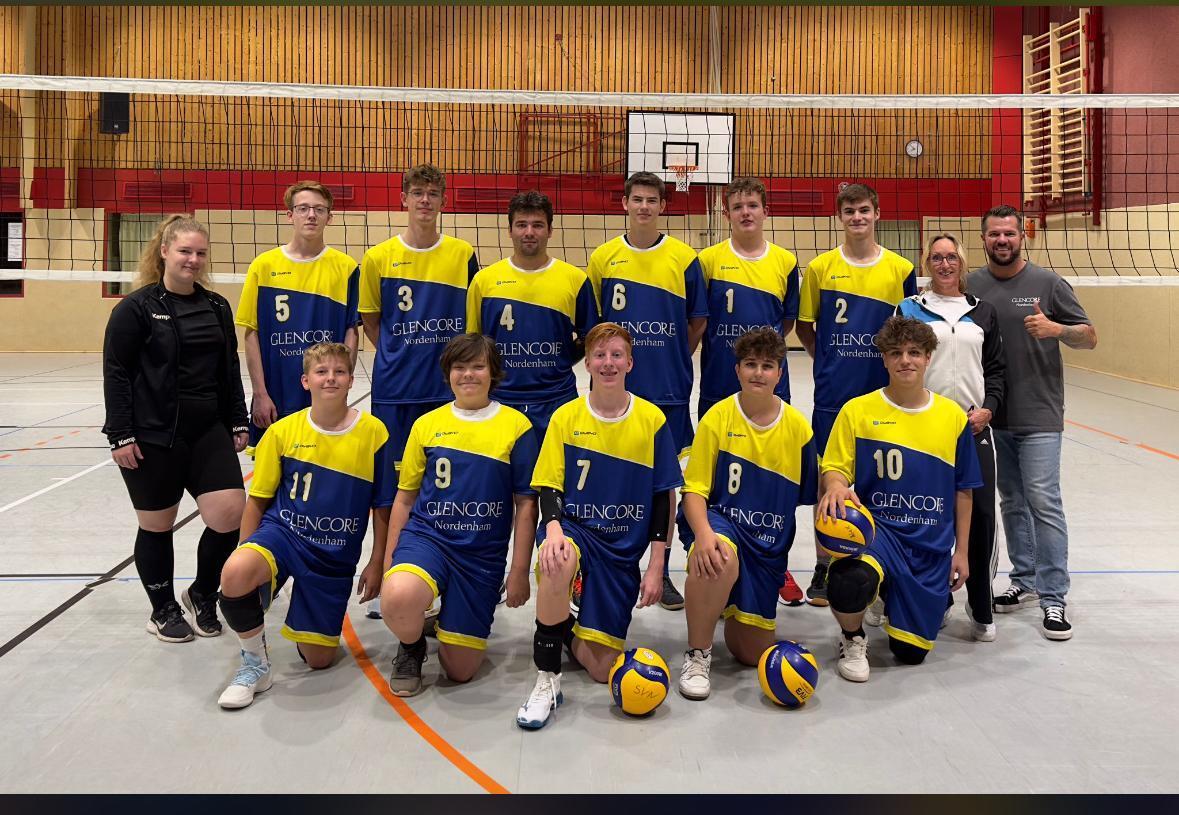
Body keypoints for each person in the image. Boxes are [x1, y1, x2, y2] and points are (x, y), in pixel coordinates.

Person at [516, 322, 683, 730]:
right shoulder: (566, 416)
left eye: (617, 355)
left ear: (630, 362)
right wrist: (553, 530)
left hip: (620, 551)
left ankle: (565, 624)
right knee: (557, 558)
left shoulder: (652, 419)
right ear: (587, 363)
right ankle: (547, 677)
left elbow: (664, 496)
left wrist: (657, 565)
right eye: (600, 355)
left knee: (600, 667)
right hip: (575, 529)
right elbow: (549, 485)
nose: (608, 363)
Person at [215, 342, 393, 709]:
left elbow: (383, 507)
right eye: (321, 372)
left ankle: (303, 605)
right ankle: (255, 665)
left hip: (334, 555)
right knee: (235, 573)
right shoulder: (282, 432)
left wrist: (377, 562)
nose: (331, 378)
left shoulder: (374, 433)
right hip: (284, 534)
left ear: (350, 379)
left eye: (339, 372)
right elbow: (259, 499)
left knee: (318, 660)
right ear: (305, 380)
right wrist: (245, 553)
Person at [103, 215, 248, 643]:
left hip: (207, 430)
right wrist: (121, 434)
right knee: (157, 525)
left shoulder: (216, 306)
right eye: (185, 251)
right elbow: (117, 372)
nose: (193, 259)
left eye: (200, 253)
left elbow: (228, 367)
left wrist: (237, 418)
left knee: (229, 513)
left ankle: (202, 592)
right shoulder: (136, 308)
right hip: (152, 434)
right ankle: (162, 608)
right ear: (164, 251)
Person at [819, 316, 981, 682]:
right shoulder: (858, 411)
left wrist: (962, 552)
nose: (905, 360)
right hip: (879, 533)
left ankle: (890, 594)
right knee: (848, 581)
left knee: (910, 654)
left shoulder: (952, 416)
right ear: (885, 360)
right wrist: (834, 485)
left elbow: (964, 488)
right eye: (896, 353)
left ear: (928, 358)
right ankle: (852, 636)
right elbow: (834, 468)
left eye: (914, 353)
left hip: (929, 545)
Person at [379, 334, 539, 696]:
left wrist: (518, 572)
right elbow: (404, 499)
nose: (468, 374)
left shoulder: (516, 427)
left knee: (460, 671)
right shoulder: (426, 424)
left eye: (478, 366)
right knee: (398, 596)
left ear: (493, 372)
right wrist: (391, 560)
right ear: (448, 373)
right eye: (459, 367)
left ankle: (446, 612)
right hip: (429, 539)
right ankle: (411, 645)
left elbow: (526, 504)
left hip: (481, 554)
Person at [967, 205, 1097, 641]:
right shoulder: (973, 285)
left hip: (1039, 412)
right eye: (994, 234)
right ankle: (1023, 580)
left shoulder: (1047, 283)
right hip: (992, 415)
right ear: (983, 239)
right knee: (1012, 501)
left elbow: (1089, 336)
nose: (1001, 240)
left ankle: (1054, 595)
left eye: (1009, 233)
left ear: (1022, 236)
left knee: (1043, 499)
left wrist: (1056, 329)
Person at [359, 163, 479, 618]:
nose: (425, 200)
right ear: (404, 199)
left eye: (432, 193)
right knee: (391, 489)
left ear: (442, 201)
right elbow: (372, 319)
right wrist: (397, 353)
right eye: (417, 193)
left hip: (449, 393)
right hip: (396, 391)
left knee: (445, 488)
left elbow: (473, 317)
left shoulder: (462, 253)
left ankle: (441, 574)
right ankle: (391, 570)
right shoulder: (378, 257)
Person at [586, 171, 707, 610]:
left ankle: (664, 569)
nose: (643, 207)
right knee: (611, 482)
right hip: (613, 397)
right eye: (636, 199)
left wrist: (674, 355)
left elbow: (697, 321)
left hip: (669, 392)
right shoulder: (603, 258)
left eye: (652, 200)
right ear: (624, 203)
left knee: (666, 486)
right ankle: (605, 567)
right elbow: (597, 330)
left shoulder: (683, 257)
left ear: (662, 206)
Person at [677, 328, 817, 700]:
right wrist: (704, 535)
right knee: (718, 556)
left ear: (780, 373)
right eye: (750, 365)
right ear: (737, 369)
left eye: (767, 366)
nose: (758, 373)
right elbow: (693, 493)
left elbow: (812, 494)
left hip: (766, 546)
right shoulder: (717, 418)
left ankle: (721, 603)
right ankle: (697, 653)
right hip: (719, 522)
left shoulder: (798, 428)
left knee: (750, 653)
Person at [796, 183, 916, 606]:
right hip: (834, 394)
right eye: (849, 211)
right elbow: (806, 326)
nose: (857, 217)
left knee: (881, 482)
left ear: (877, 213)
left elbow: (908, 331)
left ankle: (876, 561)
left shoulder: (901, 269)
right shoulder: (820, 268)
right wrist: (828, 358)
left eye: (864, 210)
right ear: (840, 216)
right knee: (828, 484)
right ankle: (825, 565)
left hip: (884, 395)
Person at [696, 176, 806, 606]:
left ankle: (775, 568)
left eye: (753, 205)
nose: (746, 212)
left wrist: (762, 365)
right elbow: (699, 319)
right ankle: (723, 563)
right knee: (721, 484)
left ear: (765, 210)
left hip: (771, 392)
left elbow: (789, 323)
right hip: (720, 387)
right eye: (738, 205)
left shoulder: (784, 261)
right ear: (727, 213)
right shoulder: (707, 261)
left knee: (775, 486)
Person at [894, 233, 1005, 642]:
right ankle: (935, 599)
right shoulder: (909, 310)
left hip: (974, 429)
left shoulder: (983, 311)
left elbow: (995, 369)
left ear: (961, 262)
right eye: (936, 258)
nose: (944, 264)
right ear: (927, 263)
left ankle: (980, 604)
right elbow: (897, 365)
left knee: (981, 519)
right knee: (930, 517)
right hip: (926, 429)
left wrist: (988, 408)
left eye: (951, 257)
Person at [236, 180, 359, 452]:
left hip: (325, 394)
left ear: (330, 216)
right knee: (270, 478)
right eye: (303, 208)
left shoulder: (346, 267)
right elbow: (251, 334)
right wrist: (259, 393)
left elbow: (352, 332)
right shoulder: (264, 265)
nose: (311, 215)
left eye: (319, 209)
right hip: (277, 396)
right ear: (290, 215)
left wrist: (344, 386)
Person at [466, 190, 598, 445]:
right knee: (501, 482)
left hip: (557, 399)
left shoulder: (574, 279)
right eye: (521, 225)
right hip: (499, 400)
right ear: (510, 230)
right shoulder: (484, 281)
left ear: (549, 230)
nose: (529, 232)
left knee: (555, 483)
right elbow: (473, 342)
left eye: (537, 225)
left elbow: (589, 338)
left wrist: (558, 362)